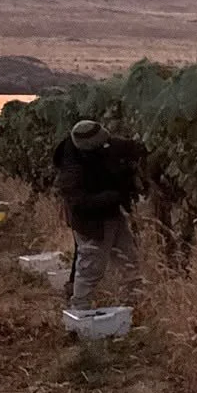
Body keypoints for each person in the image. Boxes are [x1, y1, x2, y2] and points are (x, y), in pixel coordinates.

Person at [52, 118, 145, 309]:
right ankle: (80, 312)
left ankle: (134, 306)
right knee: (89, 269)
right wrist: (114, 196)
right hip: (91, 224)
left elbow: (125, 147)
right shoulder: (71, 170)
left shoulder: (99, 143)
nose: (107, 146)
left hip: (112, 216)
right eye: (103, 145)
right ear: (89, 150)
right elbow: (80, 203)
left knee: (130, 260)